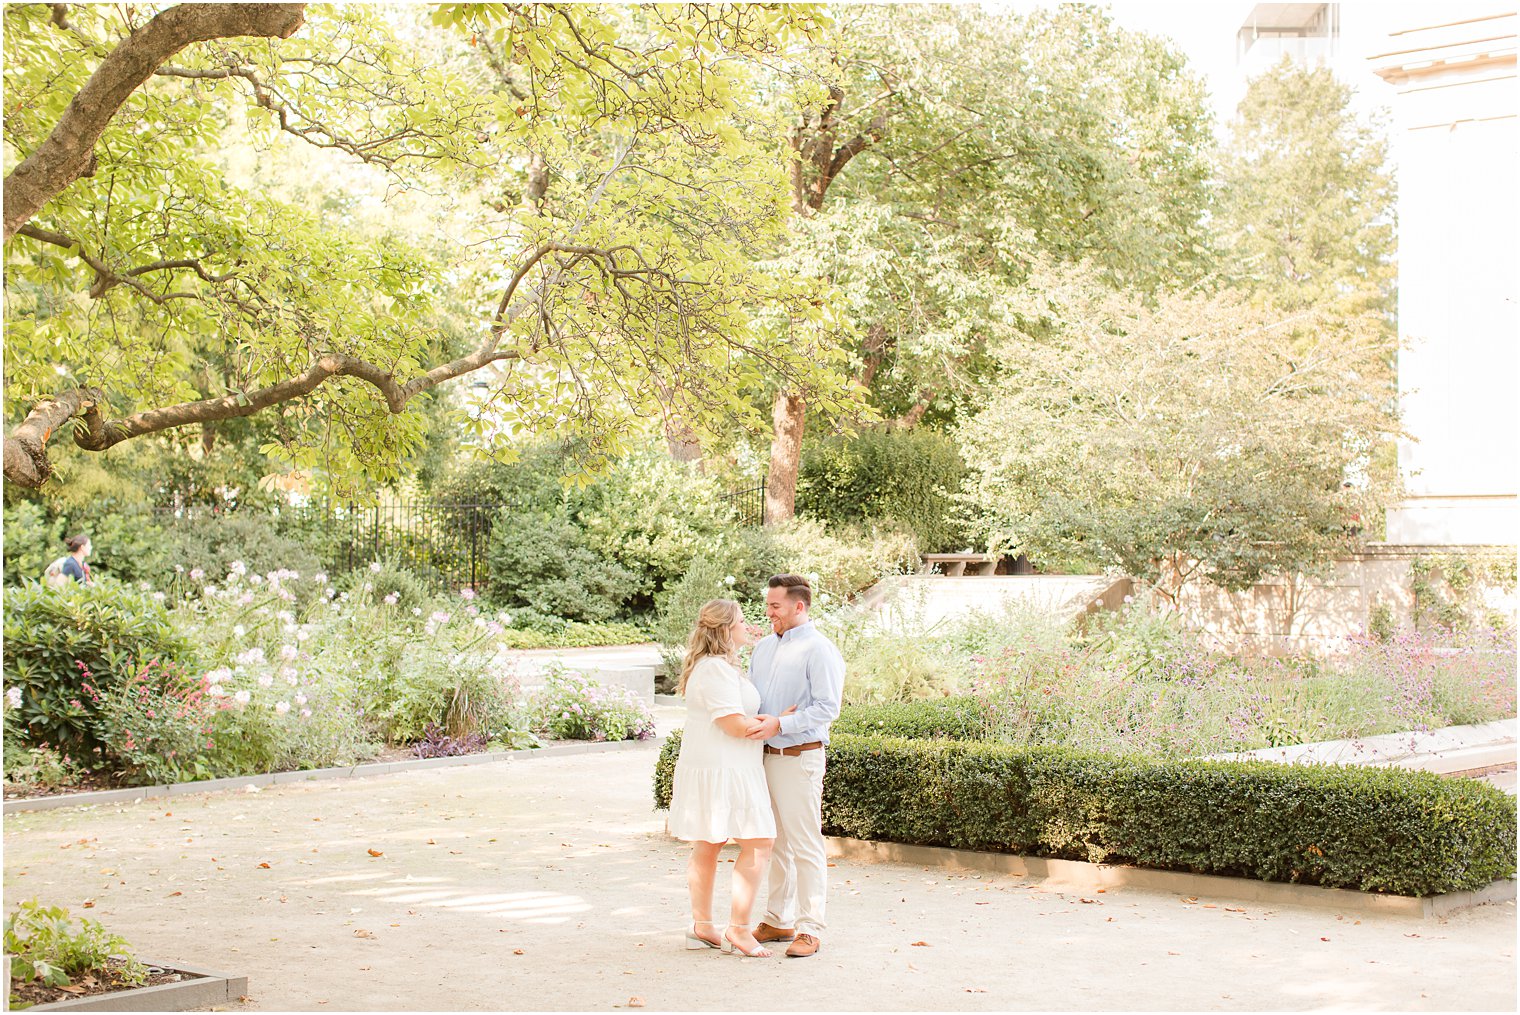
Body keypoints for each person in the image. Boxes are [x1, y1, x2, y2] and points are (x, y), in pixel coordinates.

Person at [665, 599, 778, 958]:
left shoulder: (719, 667)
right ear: (725, 629)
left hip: (729, 767)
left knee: (709, 844)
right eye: (742, 621)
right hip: (726, 769)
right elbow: (732, 725)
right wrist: (775, 723)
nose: (748, 626)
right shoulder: (714, 669)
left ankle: (702, 928)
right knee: (759, 843)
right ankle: (738, 929)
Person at [746, 573, 845, 959]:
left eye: (775, 605)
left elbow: (827, 707)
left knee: (804, 843)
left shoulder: (820, 650)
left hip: (800, 756)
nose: (769, 611)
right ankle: (777, 919)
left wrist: (782, 723)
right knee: (776, 843)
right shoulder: (763, 648)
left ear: (798, 606)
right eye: (768, 604)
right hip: (764, 758)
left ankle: (810, 927)